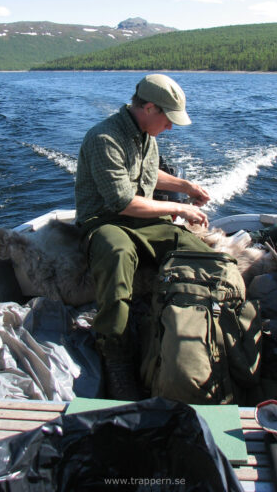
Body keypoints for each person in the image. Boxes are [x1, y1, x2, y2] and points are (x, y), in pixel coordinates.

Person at [75, 73, 215, 400]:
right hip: (105, 220)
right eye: (168, 120)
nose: (171, 128)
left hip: (142, 220)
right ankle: (114, 351)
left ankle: (193, 324)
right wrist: (179, 211)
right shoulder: (104, 139)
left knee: (198, 252)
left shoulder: (146, 135)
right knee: (117, 253)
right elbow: (122, 202)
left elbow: (149, 174)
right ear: (149, 108)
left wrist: (186, 187)